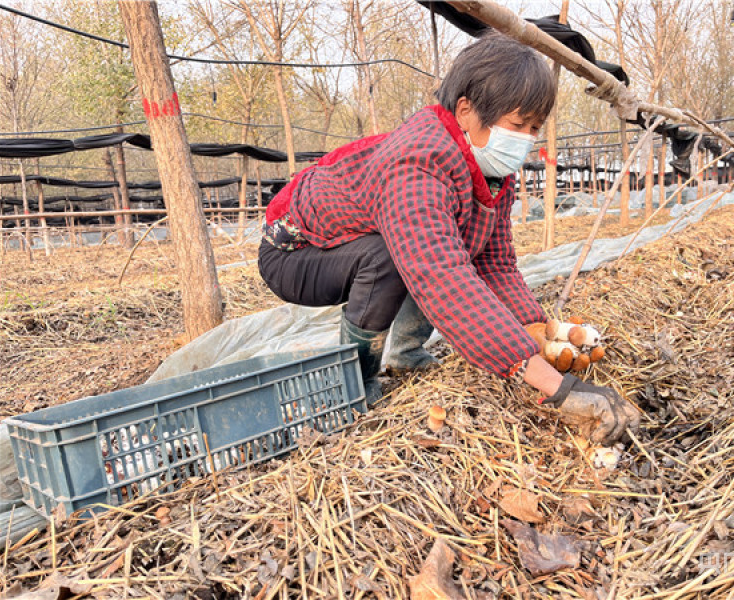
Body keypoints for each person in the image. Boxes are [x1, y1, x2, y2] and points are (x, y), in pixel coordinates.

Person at [258, 32, 639, 445]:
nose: (526, 139)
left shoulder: (491, 174)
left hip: (362, 241)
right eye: (518, 125)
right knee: (394, 256)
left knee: (445, 243)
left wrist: (538, 332)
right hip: (297, 253)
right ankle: (357, 382)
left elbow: (495, 264)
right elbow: (442, 278)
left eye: (534, 128)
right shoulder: (415, 163)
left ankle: (405, 356)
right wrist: (559, 390)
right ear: (465, 111)